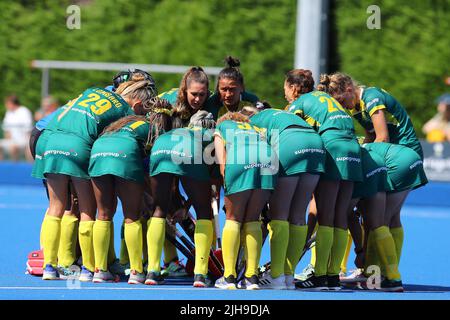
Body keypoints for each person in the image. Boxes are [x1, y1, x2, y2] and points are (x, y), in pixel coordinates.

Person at [33, 73, 158, 281]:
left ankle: (50, 266)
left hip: (50, 139)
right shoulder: (125, 111)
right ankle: (88, 269)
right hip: (79, 146)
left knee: (57, 208)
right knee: (87, 211)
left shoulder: (93, 90)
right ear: (137, 104)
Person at [284, 69, 363, 290]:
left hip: (333, 147)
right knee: (340, 216)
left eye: (285, 91)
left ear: (292, 88)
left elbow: (283, 132)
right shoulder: (327, 98)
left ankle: (319, 276)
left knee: (326, 217)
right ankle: (332, 276)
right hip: (352, 147)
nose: (286, 96)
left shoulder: (298, 103)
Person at [89, 99, 172, 284]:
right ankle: (136, 271)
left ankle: (100, 270)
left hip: (99, 150)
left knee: (102, 214)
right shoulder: (156, 130)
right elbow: (151, 171)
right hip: (124, 153)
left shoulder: (128, 121)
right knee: (131, 216)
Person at [243, 105, 326, 289]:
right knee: (298, 215)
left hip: (290, 143)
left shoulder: (250, 124)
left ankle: (277, 276)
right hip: (316, 144)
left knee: (279, 214)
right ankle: (288, 276)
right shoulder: (276, 115)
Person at [147, 110, 217, 287]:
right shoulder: (212, 136)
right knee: (203, 212)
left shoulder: (177, 131)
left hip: (160, 147)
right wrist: (188, 207)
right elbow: (207, 182)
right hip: (190, 152)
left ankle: (152, 271)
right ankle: (200, 274)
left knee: (159, 211)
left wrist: (183, 205)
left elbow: (174, 181)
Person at [213, 112, 277, 290]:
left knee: (233, 218)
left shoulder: (222, 127)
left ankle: (229, 277)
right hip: (268, 160)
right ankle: (251, 277)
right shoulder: (256, 128)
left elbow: (222, 161)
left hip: (241, 160)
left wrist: (227, 182)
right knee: (252, 218)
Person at [317, 73, 424, 159]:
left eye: (341, 101)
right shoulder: (354, 105)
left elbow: (382, 139)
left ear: (349, 90)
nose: (342, 106)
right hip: (393, 149)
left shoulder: (371, 97)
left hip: (407, 149)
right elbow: (371, 135)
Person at [204, 56, 259, 120]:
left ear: (241, 87)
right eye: (224, 89)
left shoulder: (252, 101)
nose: (228, 94)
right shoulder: (211, 104)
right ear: (218, 88)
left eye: (232, 89)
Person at [0, 95, 34, 161]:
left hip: (24, 140)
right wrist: (9, 141)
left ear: (12, 103)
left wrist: (29, 143)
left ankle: (15, 168)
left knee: (13, 147)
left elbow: (28, 130)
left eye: (7, 104)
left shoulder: (24, 111)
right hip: (12, 140)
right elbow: (7, 131)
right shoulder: (8, 113)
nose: (6, 106)